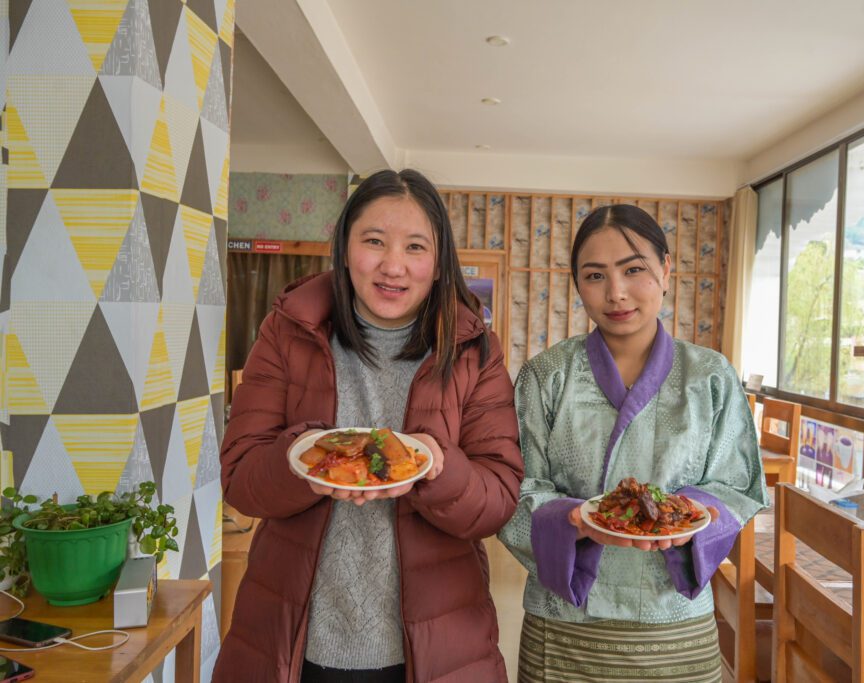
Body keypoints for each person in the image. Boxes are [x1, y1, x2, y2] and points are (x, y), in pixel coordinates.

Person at [214, 169, 524, 683]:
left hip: (439, 647)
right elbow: (241, 476)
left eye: (416, 247)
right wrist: (300, 460)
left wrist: (439, 467)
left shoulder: (475, 351)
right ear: (343, 247)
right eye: (374, 241)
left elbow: (498, 498)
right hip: (293, 640)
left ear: (440, 261)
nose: (393, 266)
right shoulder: (287, 331)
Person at [498, 204, 767, 683]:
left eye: (634, 269)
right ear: (577, 284)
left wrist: (683, 517)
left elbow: (737, 485)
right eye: (595, 275)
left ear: (665, 270)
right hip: (566, 625)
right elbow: (511, 488)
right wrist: (572, 519)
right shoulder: (546, 376)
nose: (616, 293)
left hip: (673, 621)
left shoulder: (710, 376)